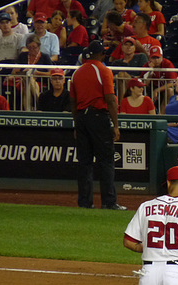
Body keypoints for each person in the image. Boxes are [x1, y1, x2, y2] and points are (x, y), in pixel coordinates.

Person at [70, 41, 126, 210]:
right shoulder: (103, 70)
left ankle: (85, 202)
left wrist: (76, 123)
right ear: (100, 54)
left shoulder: (76, 73)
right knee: (106, 161)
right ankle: (109, 202)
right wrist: (115, 125)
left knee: (84, 162)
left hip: (81, 117)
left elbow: (72, 101)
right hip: (97, 116)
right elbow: (110, 99)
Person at [144, 45, 178, 110]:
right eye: (153, 58)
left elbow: (172, 83)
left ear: (162, 57)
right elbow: (145, 83)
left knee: (170, 91)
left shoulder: (167, 64)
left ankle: (162, 114)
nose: (156, 60)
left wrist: (157, 90)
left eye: (158, 57)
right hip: (151, 88)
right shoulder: (147, 65)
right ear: (149, 58)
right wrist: (150, 71)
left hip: (164, 88)